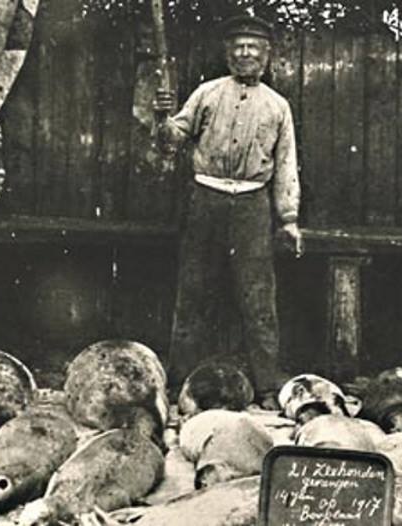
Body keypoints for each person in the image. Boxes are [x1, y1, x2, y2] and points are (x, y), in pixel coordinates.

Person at [153, 14, 301, 410]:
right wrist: (161, 118)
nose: (246, 53)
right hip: (206, 202)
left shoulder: (277, 107)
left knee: (258, 299)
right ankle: (177, 382)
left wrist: (288, 219)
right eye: (239, 46)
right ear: (228, 53)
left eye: (254, 47)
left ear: (266, 56)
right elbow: (172, 141)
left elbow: (286, 164)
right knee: (193, 292)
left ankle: (267, 386)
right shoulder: (206, 94)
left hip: (253, 208)